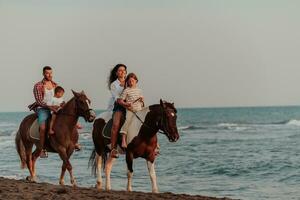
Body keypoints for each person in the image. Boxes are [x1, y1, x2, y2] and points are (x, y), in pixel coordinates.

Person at [28, 66, 59, 158]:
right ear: (43, 74)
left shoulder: (55, 85)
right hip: (43, 109)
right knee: (42, 128)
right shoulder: (38, 86)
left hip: (55, 107)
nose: (49, 75)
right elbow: (39, 101)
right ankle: (42, 149)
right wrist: (50, 107)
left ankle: (74, 143)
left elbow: (58, 97)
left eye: (51, 73)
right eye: (47, 73)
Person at [117, 73, 144, 148]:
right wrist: (126, 104)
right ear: (127, 82)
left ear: (136, 81)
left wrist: (142, 100)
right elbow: (121, 101)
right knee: (127, 121)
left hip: (139, 110)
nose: (131, 82)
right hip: (130, 110)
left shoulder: (139, 90)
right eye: (129, 81)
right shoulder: (126, 90)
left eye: (132, 80)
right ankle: (123, 140)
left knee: (147, 122)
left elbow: (141, 102)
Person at [107, 64, 127, 158]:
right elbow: (117, 98)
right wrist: (126, 105)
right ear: (116, 73)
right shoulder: (113, 85)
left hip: (131, 105)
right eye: (120, 70)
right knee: (115, 125)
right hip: (119, 106)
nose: (122, 72)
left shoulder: (130, 80)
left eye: (124, 70)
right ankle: (113, 149)